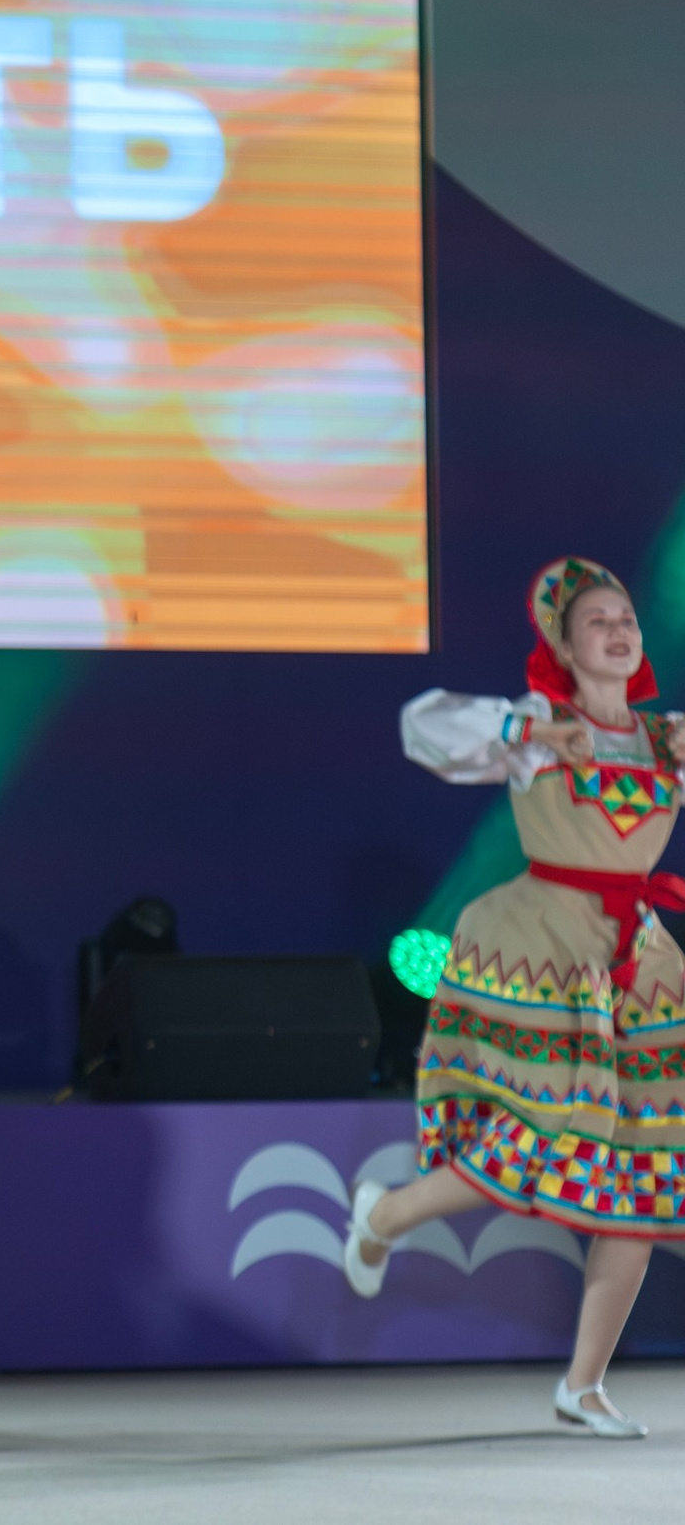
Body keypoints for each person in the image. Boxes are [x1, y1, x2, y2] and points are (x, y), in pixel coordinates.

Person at [352, 556, 685, 1438]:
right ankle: (385, 1213)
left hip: (637, 957)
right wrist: (519, 727)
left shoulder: (667, 739)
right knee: (531, 1136)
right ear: (566, 649)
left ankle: (583, 1383)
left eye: (626, 619)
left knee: (646, 1171)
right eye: (597, 623)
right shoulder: (539, 724)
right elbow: (424, 728)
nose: (618, 631)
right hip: (545, 944)